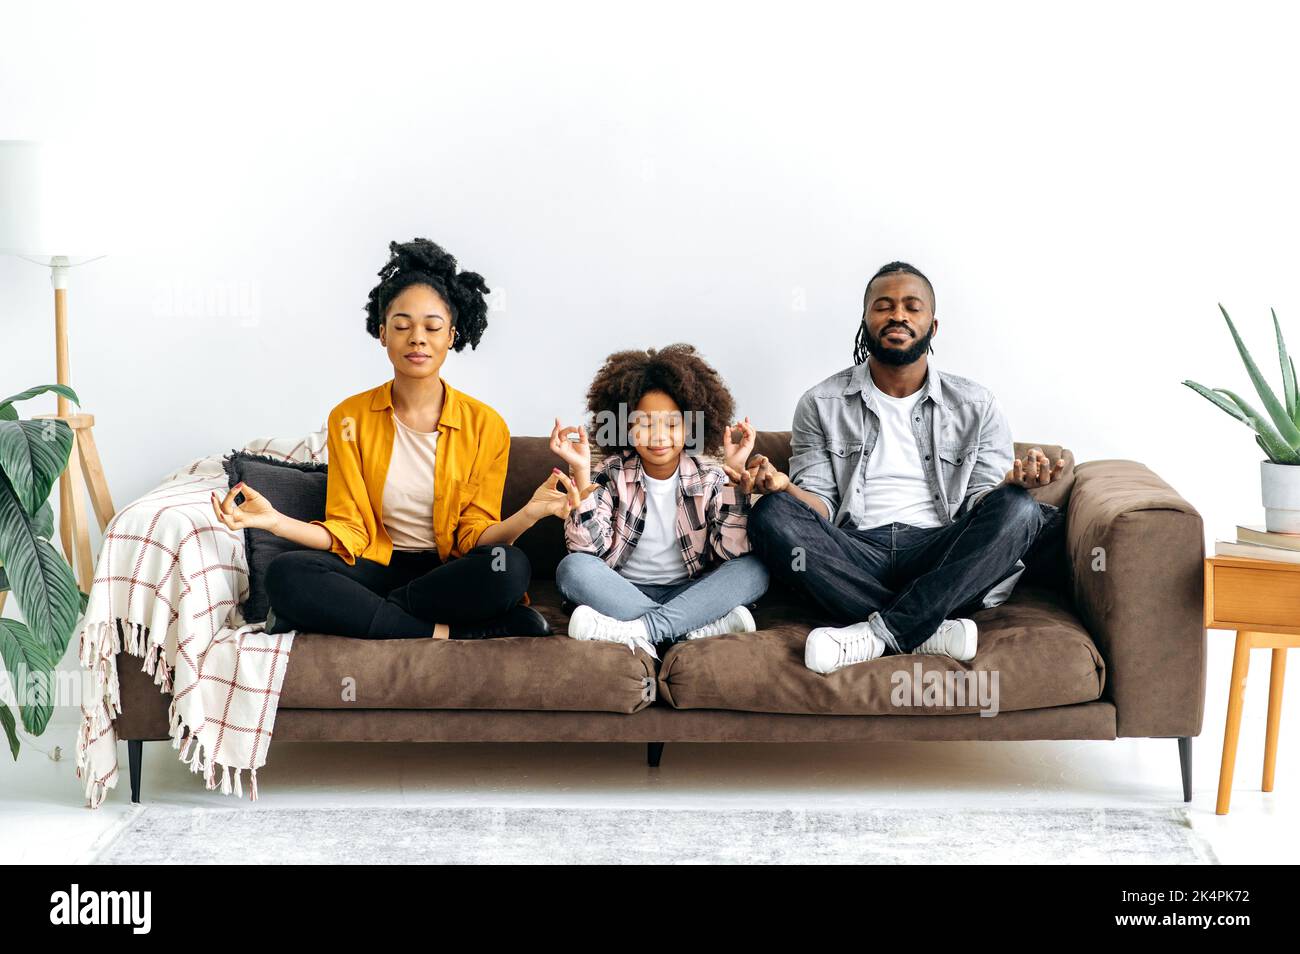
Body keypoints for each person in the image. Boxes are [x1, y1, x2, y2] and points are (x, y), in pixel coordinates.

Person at [211, 237, 586, 639]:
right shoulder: (348, 418)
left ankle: (361, 615)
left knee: (508, 566)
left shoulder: (486, 425)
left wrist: (530, 512)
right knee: (288, 573)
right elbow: (348, 531)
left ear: (452, 336)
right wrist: (275, 522)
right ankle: (450, 631)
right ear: (382, 334)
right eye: (402, 326)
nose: (417, 338)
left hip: (447, 572)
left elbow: (475, 536)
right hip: (374, 567)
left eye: (432, 327)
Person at [744, 261, 1065, 673]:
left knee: (1020, 508)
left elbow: (978, 505)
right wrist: (784, 487)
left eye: (913, 307)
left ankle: (877, 634)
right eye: (884, 306)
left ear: (933, 326)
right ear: (865, 320)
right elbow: (820, 506)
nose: (898, 315)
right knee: (770, 514)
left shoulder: (977, 404)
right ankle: (926, 628)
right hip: (855, 552)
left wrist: (1009, 485)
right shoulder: (820, 403)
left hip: (940, 550)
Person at [551, 344, 770, 659]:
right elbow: (587, 552)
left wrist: (734, 476)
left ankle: (642, 632)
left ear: (690, 428)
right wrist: (582, 473)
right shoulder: (609, 473)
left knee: (754, 569)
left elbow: (729, 555)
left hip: (691, 592)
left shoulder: (709, 476)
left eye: (671, 424)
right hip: (622, 592)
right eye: (645, 423)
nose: (658, 436)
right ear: (627, 427)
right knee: (572, 568)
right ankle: (689, 630)